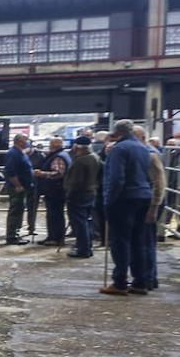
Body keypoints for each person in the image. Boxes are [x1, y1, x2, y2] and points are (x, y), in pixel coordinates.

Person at [99, 120, 154, 296]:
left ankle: (120, 282)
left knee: (120, 241)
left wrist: (108, 200)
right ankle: (140, 281)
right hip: (143, 196)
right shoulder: (144, 148)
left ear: (117, 133)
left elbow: (116, 179)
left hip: (124, 199)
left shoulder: (119, 149)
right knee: (138, 241)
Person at [134, 126, 165, 291]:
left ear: (140, 137)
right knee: (146, 241)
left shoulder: (149, 154)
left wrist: (154, 207)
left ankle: (146, 279)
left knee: (144, 242)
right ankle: (149, 278)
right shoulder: (147, 152)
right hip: (149, 202)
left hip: (149, 203)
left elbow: (159, 183)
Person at [63, 136, 101, 258]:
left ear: (78, 147)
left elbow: (75, 181)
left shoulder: (80, 161)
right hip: (91, 192)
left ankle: (83, 248)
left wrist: (69, 194)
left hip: (79, 195)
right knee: (87, 221)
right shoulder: (96, 157)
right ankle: (87, 245)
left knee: (79, 222)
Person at [32, 136, 70, 246]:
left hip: (55, 190)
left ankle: (55, 237)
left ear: (53, 146)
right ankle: (54, 236)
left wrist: (42, 173)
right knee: (55, 214)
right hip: (57, 190)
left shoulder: (58, 157)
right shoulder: (63, 154)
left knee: (55, 215)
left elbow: (58, 173)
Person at [2, 133, 34, 245]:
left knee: (19, 210)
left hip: (23, 186)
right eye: (26, 140)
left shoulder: (20, 152)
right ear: (20, 141)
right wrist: (18, 185)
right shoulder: (13, 154)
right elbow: (10, 172)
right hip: (17, 188)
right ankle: (11, 236)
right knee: (15, 211)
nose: (28, 142)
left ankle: (15, 233)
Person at [24, 140, 45, 237]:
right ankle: (28, 226)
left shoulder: (40, 155)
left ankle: (31, 227)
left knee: (33, 206)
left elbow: (45, 168)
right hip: (25, 183)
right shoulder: (22, 154)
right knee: (27, 206)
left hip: (37, 183)